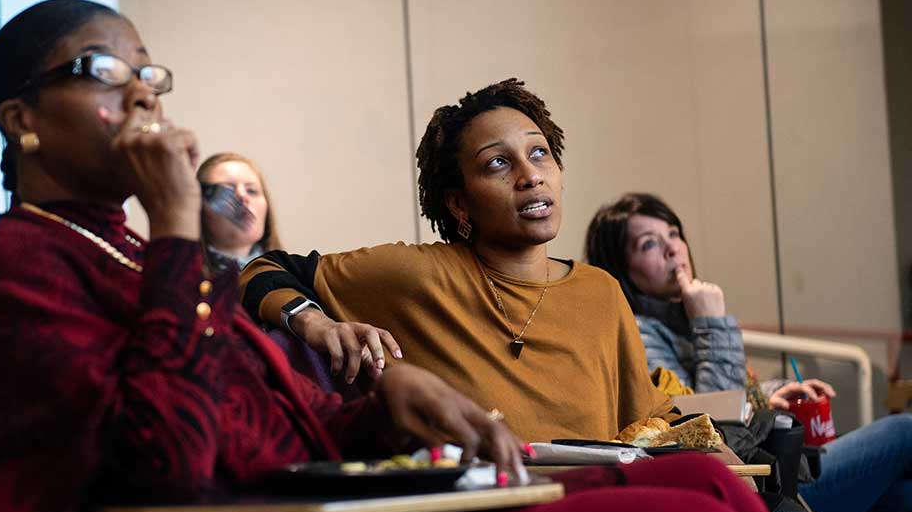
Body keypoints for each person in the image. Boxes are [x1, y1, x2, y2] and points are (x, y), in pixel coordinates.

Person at [0, 0, 812, 512]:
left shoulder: (144, 256)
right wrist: (184, 226)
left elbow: (270, 432)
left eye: (151, 72)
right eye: (106, 71)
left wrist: (378, 405)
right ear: (21, 118)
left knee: (703, 482)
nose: (144, 94)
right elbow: (172, 462)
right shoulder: (4, 265)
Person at [241, 80, 677, 444]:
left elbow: (649, 423)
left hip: (599, 499)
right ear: (459, 204)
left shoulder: (600, 292)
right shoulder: (419, 276)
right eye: (499, 163)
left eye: (539, 153)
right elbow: (262, 270)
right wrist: (318, 324)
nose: (530, 175)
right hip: (482, 508)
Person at [585, 191, 912, 512]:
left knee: (902, 497)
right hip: (759, 492)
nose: (674, 249)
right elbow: (708, 428)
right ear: (622, 269)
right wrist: (712, 323)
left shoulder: (680, 318)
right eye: (650, 244)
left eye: (674, 233)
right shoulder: (636, 333)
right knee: (904, 431)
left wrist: (768, 394)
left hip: (778, 473)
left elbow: (721, 400)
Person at [197, 152, 282, 274]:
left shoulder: (291, 278)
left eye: (251, 191)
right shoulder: (177, 276)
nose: (242, 196)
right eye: (226, 190)